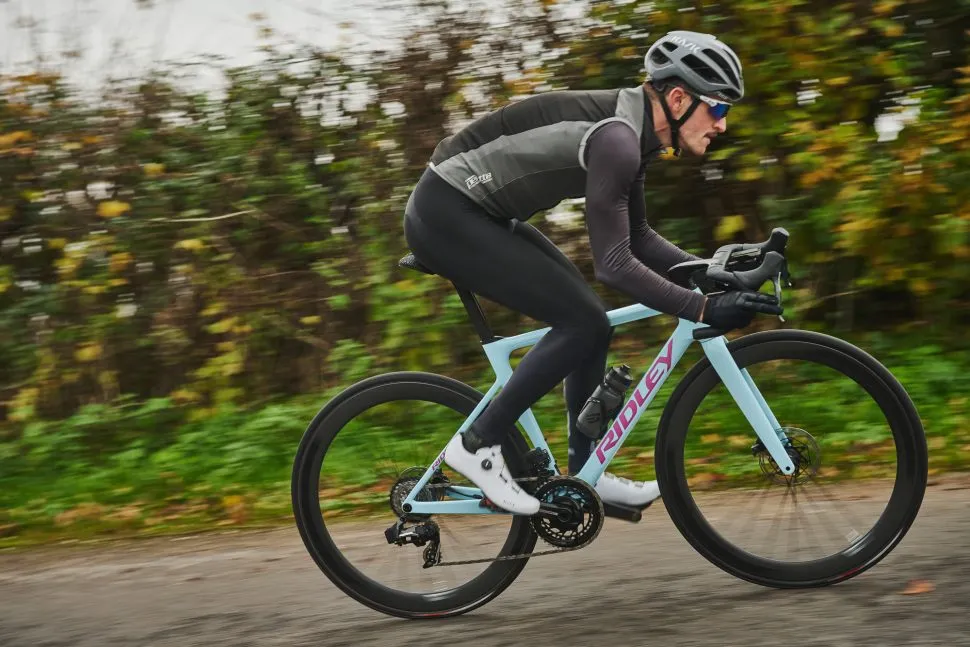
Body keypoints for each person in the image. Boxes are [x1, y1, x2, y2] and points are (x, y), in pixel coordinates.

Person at [402, 30, 782, 514]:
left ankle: (586, 471)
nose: (723, 124)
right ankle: (478, 444)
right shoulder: (618, 141)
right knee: (580, 321)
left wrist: (713, 273)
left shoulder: (634, 135)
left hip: (480, 213)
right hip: (445, 213)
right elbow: (614, 265)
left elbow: (638, 236)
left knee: (593, 324)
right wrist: (703, 307)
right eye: (718, 108)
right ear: (678, 99)